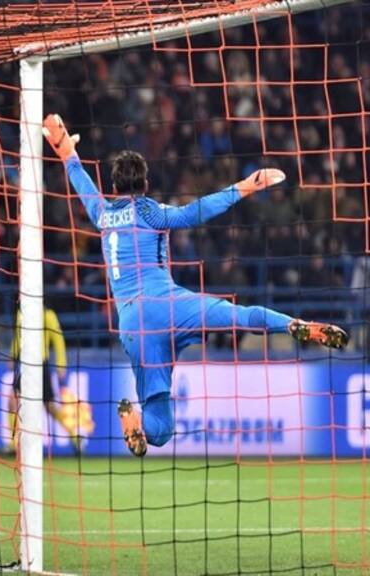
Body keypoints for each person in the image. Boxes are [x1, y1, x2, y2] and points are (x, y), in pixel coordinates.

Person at [42, 113, 348, 457]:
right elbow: (195, 212)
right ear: (145, 184)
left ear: (113, 187)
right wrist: (245, 187)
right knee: (240, 315)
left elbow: (78, 176)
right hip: (170, 304)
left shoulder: (101, 213)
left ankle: (137, 420)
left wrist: (66, 150)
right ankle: (293, 324)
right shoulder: (150, 211)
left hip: (133, 325)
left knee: (161, 428)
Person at [9, 305, 94, 453]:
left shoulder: (47, 315)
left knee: (48, 406)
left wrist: (61, 364)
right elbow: (18, 336)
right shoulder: (20, 313)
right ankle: (14, 443)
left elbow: (58, 339)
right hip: (24, 364)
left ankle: (75, 436)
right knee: (13, 401)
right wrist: (13, 355)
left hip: (40, 365)